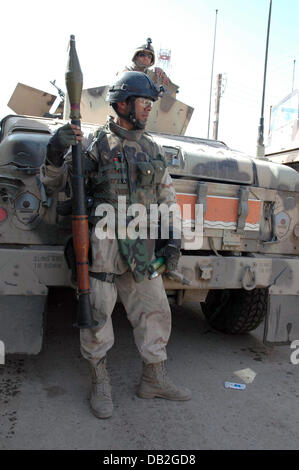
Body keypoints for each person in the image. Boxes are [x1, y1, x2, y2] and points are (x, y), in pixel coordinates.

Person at [42, 71, 191, 420]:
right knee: (96, 316)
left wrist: (172, 241)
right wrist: (56, 148)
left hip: (140, 248)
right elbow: (55, 184)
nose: (148, 110)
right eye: (143, 102)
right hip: (104, 245)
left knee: (156, 312)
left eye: (151, 104)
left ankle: (153, 380)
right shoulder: (95, 145)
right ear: (122, 104)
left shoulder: (152, 147)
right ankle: (100, 382)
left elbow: (167, 198)